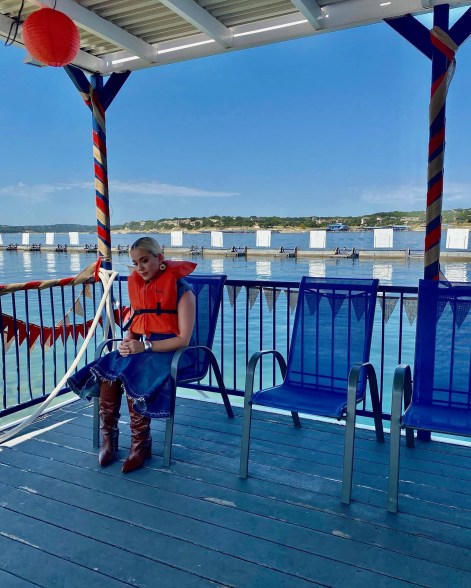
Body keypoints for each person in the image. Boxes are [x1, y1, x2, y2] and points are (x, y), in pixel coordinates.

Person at [67, 237, 196, 473]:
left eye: (145, 261)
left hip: (174, 353)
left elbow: (183, 340)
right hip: (144, 349)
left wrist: (144, 347)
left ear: (160, 258)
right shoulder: (141, 290)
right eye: (136, 263)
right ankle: (109, 439)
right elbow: (135, 330)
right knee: (110, 369)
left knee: (129, 371)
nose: (140, 268)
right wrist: (127, 345)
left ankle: (140, 443)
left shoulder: (183, 292)